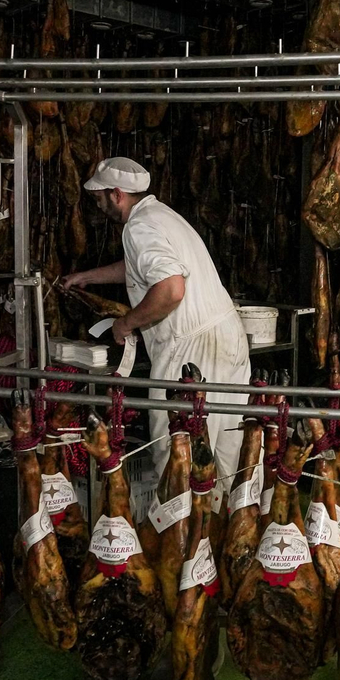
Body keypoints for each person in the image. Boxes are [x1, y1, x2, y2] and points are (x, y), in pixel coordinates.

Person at [61, 157, 253, 484]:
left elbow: (171, 289)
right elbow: (140, 267)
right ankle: (226, 514)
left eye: (99, 198)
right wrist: (88, 277)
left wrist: (127, 323)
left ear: (117, 194)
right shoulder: (162, 215)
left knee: (176, 455)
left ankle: (184, 516)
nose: (98, 206)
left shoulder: (138, 227)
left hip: (191, 349)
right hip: (227, 336)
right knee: (227, 453)